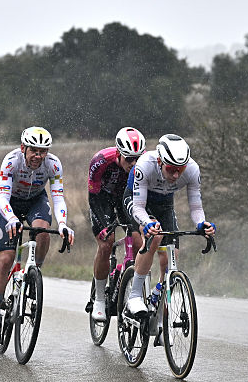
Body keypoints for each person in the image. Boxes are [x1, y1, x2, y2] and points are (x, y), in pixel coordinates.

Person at [0, 126, 74, 343]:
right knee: (6, 258)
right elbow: (2, 198)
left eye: (42, 151)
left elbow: (58, 197)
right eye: (34, 150)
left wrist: (63, 223)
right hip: (12, 205)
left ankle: (34, 272)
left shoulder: (53, 164)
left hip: (36, 200)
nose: (38, 156)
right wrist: (11, 218)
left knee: (43, 232)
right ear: (23, 148)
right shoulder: (11, 161)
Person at [124, 134, 216, 317]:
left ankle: (159, 300)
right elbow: (139, 207)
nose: (176, 175)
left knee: (171, 253)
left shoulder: (192, 170)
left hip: (165, 203)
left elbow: (196, 206)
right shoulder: (145, 165)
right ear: (159, 161)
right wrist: (147, 223)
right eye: (171, 169)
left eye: (180, 170)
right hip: (138, 202)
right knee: (155, 235)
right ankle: (134, 296)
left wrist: (201, 224)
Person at [87, 127, 146, 321]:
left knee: (140, 243)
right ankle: (99, 299)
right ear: (119, 154)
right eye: (129, 159)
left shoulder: (144, 163)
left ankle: (133, 290)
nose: (134, 163)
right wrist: (104, 226)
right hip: (102, 199)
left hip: (126, 199)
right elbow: (93, 196)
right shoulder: (100, 161)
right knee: (106, 243)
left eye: (138, 158)